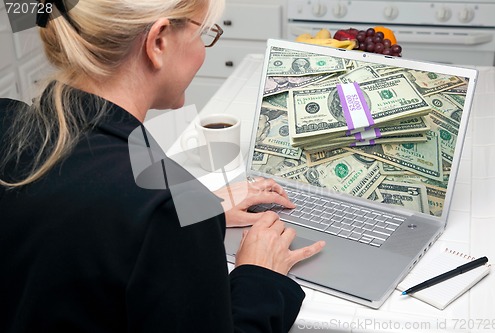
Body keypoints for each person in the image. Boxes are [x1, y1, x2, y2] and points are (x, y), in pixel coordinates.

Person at [0, 0, 325, 332]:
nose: (203, 50)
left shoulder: (7, 118)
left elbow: (95, 161)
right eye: (203, 34)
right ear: (159, 42)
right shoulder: (162, 213)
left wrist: (197, 203)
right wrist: (261, 276)